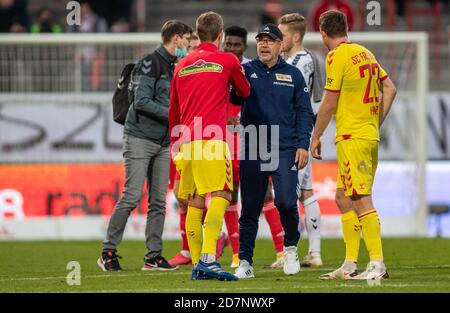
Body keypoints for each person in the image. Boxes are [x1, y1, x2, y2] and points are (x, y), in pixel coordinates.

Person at [97, 20, 193, 272]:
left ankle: (153, 257)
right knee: (131, 196)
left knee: (158, 201)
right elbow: (140, 102)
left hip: (162, 142)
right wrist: (174, 116)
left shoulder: (177, 66)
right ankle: (108, 252)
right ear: (176, 38)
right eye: (187, 39)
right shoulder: (150, 62)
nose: (189, 44)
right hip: (139, 136)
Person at [310, 10, 397, 280]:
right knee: (343, 198)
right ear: (345, 28)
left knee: (360, 199)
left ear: (323, 32)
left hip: (352, 138)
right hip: (366, 136)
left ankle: (377, 265)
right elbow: (390, 89)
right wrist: (374, 122)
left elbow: (329, 102)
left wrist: (315, 136)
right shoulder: (365, 52)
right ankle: (349, 265)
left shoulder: (336, 56)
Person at [169, 11, 250, 281]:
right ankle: (207, 259)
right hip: (212, 139)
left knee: (194, 201)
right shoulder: (227, 60)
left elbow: (173, 111)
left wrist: (175, 146)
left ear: (197, 33)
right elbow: (244, 91)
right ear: (221, 34)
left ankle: (196, 265)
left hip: (185, 141)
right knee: (222, 195)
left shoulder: (182, 65)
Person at [233, 24, 314, 279]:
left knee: (286, 202)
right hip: (254, 145)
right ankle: (245, 261)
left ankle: (290, 247)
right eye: (261, 40)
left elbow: (304, 113)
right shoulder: (245, 71)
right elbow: (234, 99)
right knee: (250, 208)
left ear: (281, 46)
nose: (264, 44)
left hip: (286, 147)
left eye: (270, 40)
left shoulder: (293, 75)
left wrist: (303, 145)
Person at [222, 25, 288, 269]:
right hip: (224, 139)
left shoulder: (251, 69)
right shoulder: (218, 67)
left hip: (253, 137)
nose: (231, 48)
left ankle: (281, 252)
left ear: (244, 47)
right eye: (228, 43)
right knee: (230, 193)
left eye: (236, 44)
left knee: (265, 194)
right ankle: (238, 254)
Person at [278, 13, 324, 268]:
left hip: (295, 135)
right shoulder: (296, 59)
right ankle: (312, 252)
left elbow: (293, 99)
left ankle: (294, 251)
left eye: (282, 35)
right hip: (297, 133)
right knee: (304, 192)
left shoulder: (300, 62)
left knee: (293, 192)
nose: (277, 39)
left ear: (295, 36)